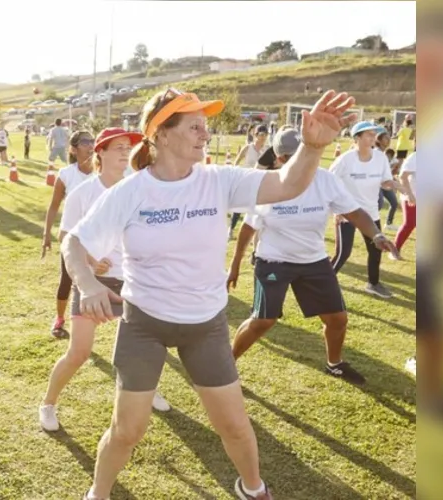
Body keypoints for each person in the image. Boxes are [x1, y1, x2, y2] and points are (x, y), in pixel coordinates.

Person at [63, 88, 357, 500]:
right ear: (161, 136)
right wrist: (88, 283)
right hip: (144, 324)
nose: (205, 133)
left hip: (205, 326)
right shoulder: (130, 193)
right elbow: (74, 244)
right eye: (194, 125)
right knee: (128, 430)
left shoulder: (219, 180)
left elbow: (286, 184)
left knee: (234, 425)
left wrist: (311, 148)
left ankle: (253, 489)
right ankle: (98, 492)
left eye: (206, 124)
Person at [227, 128, 399, 385]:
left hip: (313, 260)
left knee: (337, 319)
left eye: (305, 154)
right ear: (280, 158)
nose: (301, 161)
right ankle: (226, 369)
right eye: (292, 156)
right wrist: (235, 265)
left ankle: (335, 364)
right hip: (274, 260)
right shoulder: (269, 184)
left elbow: (355, 212)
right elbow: (248, 227)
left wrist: (376, 235)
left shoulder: (326, 180)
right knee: (263, 320)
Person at [39, 128, 170, 433]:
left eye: (128, 148)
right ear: (100, 152)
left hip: (133, 281)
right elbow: (66, 237)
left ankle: (148, 391)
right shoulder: (83, 193)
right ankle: (48, 403)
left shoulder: (136, 189)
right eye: (119, 148)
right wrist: (90, 263)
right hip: (95, 284)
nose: (126, 153)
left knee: (146, 348)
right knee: (79, 352)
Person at [329, 121, 412, 299]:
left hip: (371, 212)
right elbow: (329, 183)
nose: (373, 137)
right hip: (348, 212)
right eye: (368, 134)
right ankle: (324, 283)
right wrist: (337, 210)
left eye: (374, 134)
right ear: (357, 138)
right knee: (343, 252)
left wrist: (398, 186)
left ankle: (373, 284)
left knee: (375, 250)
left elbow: (385, 182)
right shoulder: (345, 160)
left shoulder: (380, 158)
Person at [41, 130, 96, 339]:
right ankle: (60, 319)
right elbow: (54, 206)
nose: (91, 145)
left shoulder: (103, 174)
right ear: (73, 149)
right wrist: (46, 233)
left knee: (98, 278)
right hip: (71, 237)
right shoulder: (66, 174)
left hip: (95, 236)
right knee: (67, 279)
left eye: (93, 141)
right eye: (85, 142)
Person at [230, 125, 270, 238]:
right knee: (240, 207)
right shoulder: (248, 148)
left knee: (259, 209)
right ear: (255, 135)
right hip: (246, 180)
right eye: (261, 135)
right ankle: (231, 229)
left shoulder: (267, 149)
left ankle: (259, 233)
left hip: (260, 182)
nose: (263, 138)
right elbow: (236, 163)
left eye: (265, 135)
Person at [393, 152, 418, 257]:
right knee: (410, 223)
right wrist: (410, 195)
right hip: (412, 197)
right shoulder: (415, 157)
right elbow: (403, 177)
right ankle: (395, 250)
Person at [376, 131, 400, 230]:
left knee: (394, 203)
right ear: (379, 140)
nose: (389, 140)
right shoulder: (376, 153)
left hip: (386, 183)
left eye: (389, 138)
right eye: (386, 138)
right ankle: (366, 223)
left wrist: (393, 176)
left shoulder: (385, 154)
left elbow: (385, 171)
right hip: (377, 184)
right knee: (379, 204)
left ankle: (388, 224)